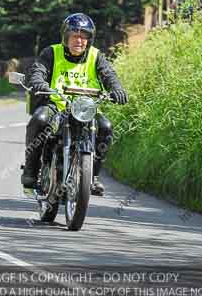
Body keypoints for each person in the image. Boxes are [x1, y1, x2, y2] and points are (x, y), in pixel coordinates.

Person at [21, 13, 128, 197]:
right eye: (75, 35)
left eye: (84, 36)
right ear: (66, 37)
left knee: (106, 127)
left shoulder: (96, 56)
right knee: (38, 120)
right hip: (57, 105)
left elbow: (109, 75)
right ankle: (30, 172)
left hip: (85, 108)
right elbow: (38, 71)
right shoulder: (51, 53)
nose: (79, 40)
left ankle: (92, 176)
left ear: (89, 39)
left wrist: (117, 89)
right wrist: (39, 82)